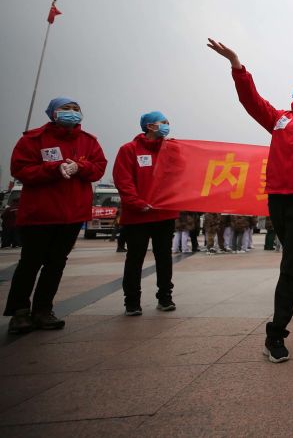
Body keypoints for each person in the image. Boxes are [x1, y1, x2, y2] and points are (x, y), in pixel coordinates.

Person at [208, 32, 293, 363]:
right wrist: (237, 66)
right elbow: (251, 101)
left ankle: (275, 333)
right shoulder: (278, 118)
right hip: (277, 198)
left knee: (291, 264)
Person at [4, 97, 107, 334]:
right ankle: (19, 312)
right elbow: (20, 169)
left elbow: (99, 167)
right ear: (52, 114)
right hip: (40, 214)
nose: (72, 113)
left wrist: (81, 167)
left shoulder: (88, 142)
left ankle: (43, 310)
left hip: (71, 215)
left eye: (76, 109)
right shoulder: (33, 139)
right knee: (30, 263)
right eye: (66, 109)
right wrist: (54, 168)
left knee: (56, 264)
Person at [115, 111, 180, 316]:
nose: (167, 126)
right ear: (150, 126)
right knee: (135, 259)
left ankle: (165, 297)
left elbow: (180, 177)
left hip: (164, 215)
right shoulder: (129, 150)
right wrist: (137, 203)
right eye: (163, 122)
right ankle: (132, 302)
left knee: (164, 258)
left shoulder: (172, 150)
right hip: (137, 216)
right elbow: (123, 181)